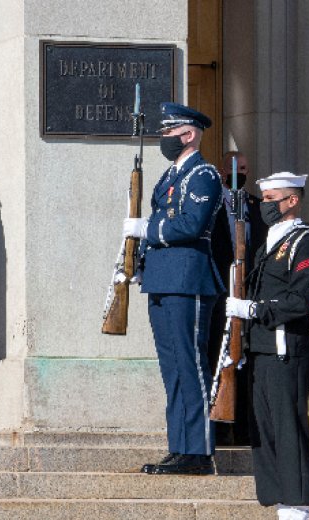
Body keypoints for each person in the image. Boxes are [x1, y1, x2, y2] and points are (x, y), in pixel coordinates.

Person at [122, 102, 224, 475]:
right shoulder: (169, 175)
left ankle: (199, 450)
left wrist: (146, 229)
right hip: (162, 278)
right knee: (172, 367)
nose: (163, 138)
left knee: (191, 363)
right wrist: (138, 264)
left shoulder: (203, 175)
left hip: (187, 278)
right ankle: (180, 445)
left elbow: (191, 224)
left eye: (169, 132)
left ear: (189, 134)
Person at [226, 172, 309, 520]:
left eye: (272, 198)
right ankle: (285, 519)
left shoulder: (304, 242)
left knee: (288, 434)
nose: (265, 205)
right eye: (264, 198)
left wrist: (253, 310)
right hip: (261, 350)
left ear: (292, 200)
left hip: (287, 351)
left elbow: (298, 301)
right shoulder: (269, 241)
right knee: (266, 436)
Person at [208, 150, 268, 446]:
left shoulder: (255, 205)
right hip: (219, 290)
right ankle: (218, 429)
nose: (239, 173)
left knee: (247, 357)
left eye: (243, 168)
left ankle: (245, 429)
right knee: (218, 355)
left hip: (249, 291)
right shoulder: (211, 203)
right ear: (222, 170)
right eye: (233, 168)